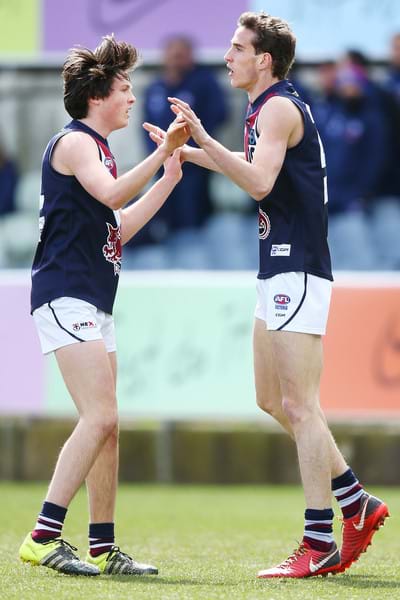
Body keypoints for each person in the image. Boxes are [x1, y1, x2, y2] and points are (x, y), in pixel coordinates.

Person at [144, 11, 389, 578]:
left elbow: (258, 182)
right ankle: (355, 500)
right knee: (271, 399)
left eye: (237, 48)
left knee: (301, 405)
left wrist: (203, 137)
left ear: (264, 60)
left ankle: (318, 541)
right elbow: (259, 171)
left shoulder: (277, 107)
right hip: (276, 266)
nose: (226, 56)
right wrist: (185, 152)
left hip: (296, 266)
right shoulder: (266, 107)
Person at [18, 35, 188, 576]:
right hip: (65, 294)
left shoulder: (97, 149)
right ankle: (43, 535)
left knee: (108, 426)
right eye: (124, 89)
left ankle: (102, 546)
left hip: (92, 298)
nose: (132, 98)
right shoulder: (75, 143)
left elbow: (119, 226)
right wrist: (160, 153)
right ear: (97, 97)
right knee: (101, 416)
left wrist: (168, 178)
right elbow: (113, 196)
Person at [135, 35, 228, 245]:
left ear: (190, 57)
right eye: (172, 55)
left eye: (180, 55)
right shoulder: (155, 87)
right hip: (163, 164)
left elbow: (219, 115)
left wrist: (193, 146)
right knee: (164, 218)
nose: (176, 60)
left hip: (195, 165)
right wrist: (158, 154)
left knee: (193, 218)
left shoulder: (204, 82)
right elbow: (145, 125)